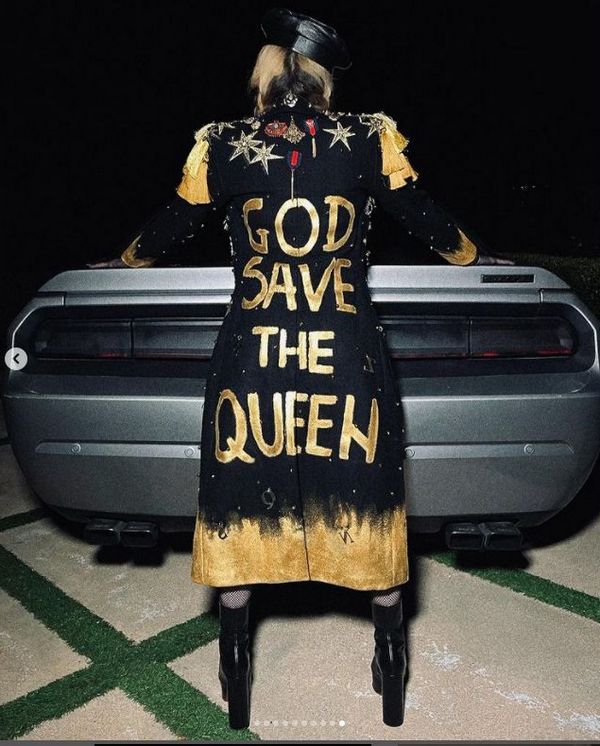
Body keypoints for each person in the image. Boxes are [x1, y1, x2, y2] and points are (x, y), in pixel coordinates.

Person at [87, 8, 515, 729]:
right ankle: (390, 666)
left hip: (251, 355)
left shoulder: (220, 143)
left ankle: (235, 668)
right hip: (344, 351)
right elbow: (422, 214)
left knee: (239, 494)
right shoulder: (368, 137)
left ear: (262, 80)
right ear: (323, 80)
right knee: (365, 487)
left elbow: (173, 221)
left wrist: (125, 260)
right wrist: (475, 256)